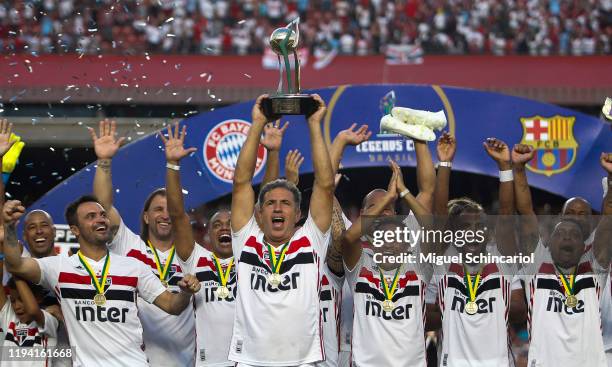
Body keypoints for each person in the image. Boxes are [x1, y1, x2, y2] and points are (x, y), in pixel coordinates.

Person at [2, 195, 201, 367]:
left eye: (102, 215)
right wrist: (10, 227)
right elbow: (15, 264)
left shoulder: (133, 267)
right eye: (91, 217)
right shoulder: (59, 267)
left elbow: (172, 306)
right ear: (75, 230)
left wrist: (185, 293)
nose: (101, 220)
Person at [230, 94, 334, 366]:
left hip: (303, 361)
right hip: (251, 361)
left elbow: (324, 185)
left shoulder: (310, 241)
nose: (277, 209)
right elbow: (241, 182)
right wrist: (257, 124)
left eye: (286, 203)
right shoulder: (247, 239)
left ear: (298, 214)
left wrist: (314, 124)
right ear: (260, 213)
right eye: (271, 203)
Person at [91, 119, 196, 366]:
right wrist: (104, 161)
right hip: (136, 360)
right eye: (158, 209)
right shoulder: (129, 246)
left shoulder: (190, 254)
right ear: (146, 217)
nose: (165, 214)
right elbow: (103, 207)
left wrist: (174, 164)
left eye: (170, 209)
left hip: (184, 362)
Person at [511, 145, 612, 366]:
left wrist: (611, 177)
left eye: (574, 235)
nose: (568, 235)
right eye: (562, 232)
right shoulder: (537, 264)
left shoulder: (595, 265)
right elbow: (526, 213)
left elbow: (608, 220)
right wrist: (518, 169)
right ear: (550, 238)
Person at [428, 136, 523, 366]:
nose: (472, 232)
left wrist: (504, 167)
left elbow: (508, 214)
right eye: (465, 227)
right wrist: (445, 164)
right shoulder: (444, 260)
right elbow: (440, 214)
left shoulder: (500, 257)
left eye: (479, 226)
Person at [340, 161, 432, 367]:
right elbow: (347, 238)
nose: (389, 241)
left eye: (395, 237)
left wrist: (405, 192)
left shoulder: (417, 263)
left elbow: (431, 223)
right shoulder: (362, 259)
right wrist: (389, 198)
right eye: (384, 237)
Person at [161, 121, 236, 367]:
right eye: (217, 225)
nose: (224, 228)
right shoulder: (196, 259)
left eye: (230, 224)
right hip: (208, 363)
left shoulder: (250, 260)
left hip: (249, 361)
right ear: (207, 235)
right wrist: (173, 165)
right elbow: (177, 215)